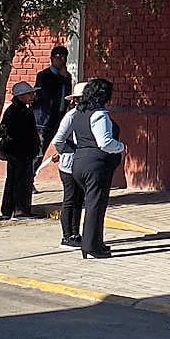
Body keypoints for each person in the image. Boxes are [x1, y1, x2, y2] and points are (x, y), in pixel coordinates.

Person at [68, 78, 126, 259]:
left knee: (93, 203)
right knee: (96, 205)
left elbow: (77, 139)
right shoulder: (100, 114)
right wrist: (121, 147)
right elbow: (104, 142)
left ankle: (95, 243)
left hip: (79, 162)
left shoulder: (78, 113)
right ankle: (91, 246)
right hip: (96, 164)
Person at [46, 82, 88, 248]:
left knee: (79, 200)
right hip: (69, 164)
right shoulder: (71, 116)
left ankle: (75, 233)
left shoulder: (88, 115)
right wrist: (68, 150)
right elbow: (58, 140)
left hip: (80, 164)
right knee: (70, 199)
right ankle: (66, 235)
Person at [0, 82, 42, 218]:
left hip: (19, 152)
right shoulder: (18, 111)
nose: (32, 96)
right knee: (20, 181)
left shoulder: (19, 110)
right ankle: (20, 209)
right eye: (30, 93)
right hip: (20, 152)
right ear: (21, 96)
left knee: (15, 180)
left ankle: (10, 209)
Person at [31, 46, 72, 178]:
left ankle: (30, 178)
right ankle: (28, 179)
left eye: (64, 58)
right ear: (52, 59)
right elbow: (47, 94)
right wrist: (62, 77)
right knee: (38, 151)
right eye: (58, 57)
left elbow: (67, 95)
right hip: (43, 120)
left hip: (59, 118)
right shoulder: (44, 76)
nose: (62, 61)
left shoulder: (67, 76)